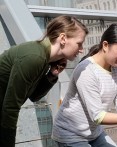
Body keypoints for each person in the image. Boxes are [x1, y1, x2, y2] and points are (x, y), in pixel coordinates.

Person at [0, 15, 88, 147]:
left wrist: (51, 75)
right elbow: (10, 108)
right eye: (79, 43)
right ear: (63, 38)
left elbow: (34, 96)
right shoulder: (35, 57)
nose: (81, 49)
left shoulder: (44, 58)